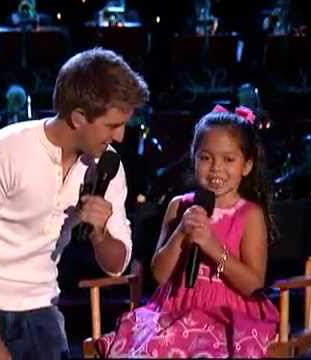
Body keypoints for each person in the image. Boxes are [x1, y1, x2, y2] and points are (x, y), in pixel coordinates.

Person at [0, 48, 149, 360]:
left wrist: (100, 234)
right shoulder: (4, 150)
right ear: (78, 118)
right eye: (111, 125)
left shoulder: (108, 167)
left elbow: (116, 266)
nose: (120, 136)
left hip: (38, 301)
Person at [96, 105, 279, 358]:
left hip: (228, 313)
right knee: (157, 345)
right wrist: (181, 231)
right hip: (175, 309)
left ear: (246, 166)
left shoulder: (249, 214)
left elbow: (253, 284)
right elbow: (160, 274)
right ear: (194, 158)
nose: (215, 168)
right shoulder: (179, 206)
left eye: (228, 159)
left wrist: (213, 247)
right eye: (206, 158)